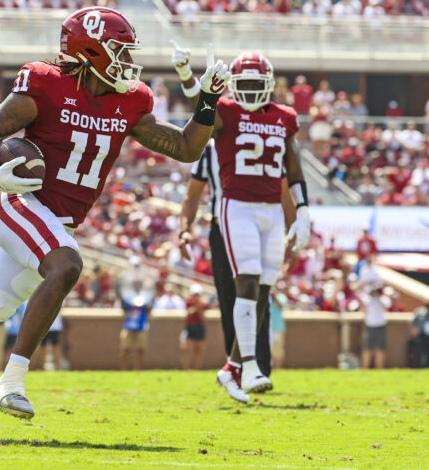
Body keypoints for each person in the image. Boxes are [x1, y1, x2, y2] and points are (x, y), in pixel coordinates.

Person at [0, 6, 231, 433]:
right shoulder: (46, 85)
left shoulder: (131, 101)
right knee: (68, 264)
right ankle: (11, 380)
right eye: (119, 51)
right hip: (19, 205)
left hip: (55, 225)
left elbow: (186, 148)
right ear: (89, 51)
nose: (128, 62)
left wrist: (206, 100)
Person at [172, 42, 310, 400]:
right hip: (236, 208)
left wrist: (304, 210)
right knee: (246, 283)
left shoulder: (284, 116)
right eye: (243, 84)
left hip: (269, 211)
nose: (248, 91)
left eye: (255, 84)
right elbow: (200, 114)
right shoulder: (227, 112)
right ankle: (248, 366)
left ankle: (233, 367)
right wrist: (193, 81)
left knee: (263, 288)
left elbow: (293, 168)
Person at [181, 284, 212, 370]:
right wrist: (197, 307)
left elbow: (202, 317)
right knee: (186, 348)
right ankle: (186, 368)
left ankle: (196, 368)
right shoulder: (188, 303)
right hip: (190, 326)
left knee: (198, 349)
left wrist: (198, 307)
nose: (196, 297)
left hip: (199, 326)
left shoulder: (203, 304)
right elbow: (188, 313)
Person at [120, 293, 153, 371]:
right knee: (125, 349)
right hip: (128, 327)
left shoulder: (145, 301)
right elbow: (123, 309)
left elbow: (149, 310)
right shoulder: (128, 300)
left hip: (141, 328)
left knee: (140, 349)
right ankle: (123, 369)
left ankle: (138, 369)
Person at [361, 282, 389, 369]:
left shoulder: (383, 299)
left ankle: (380, 367)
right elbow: (363, 309)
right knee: (367, 348)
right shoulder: (367, 300)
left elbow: (386, 307)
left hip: (381, 326)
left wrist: (379, 297)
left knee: (380, 348)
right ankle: (365, 367)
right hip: (370, 326)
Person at [412, 302, 429, 368]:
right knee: (420, 352)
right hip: (421, 336)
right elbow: (413, 322)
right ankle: (420, 367)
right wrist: (414, 331)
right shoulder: (420, 313)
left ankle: (428, 366)